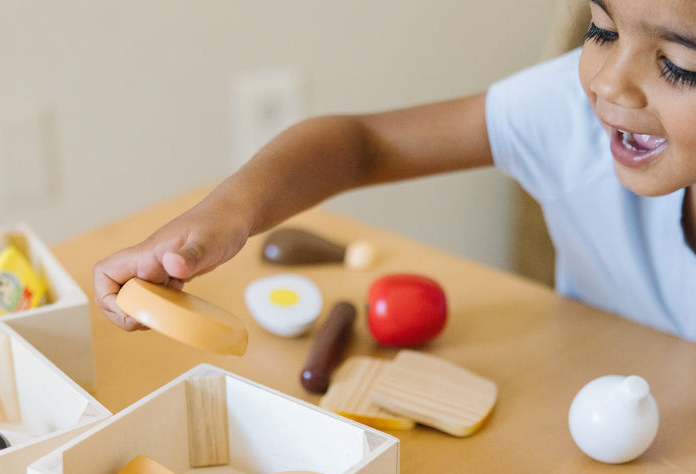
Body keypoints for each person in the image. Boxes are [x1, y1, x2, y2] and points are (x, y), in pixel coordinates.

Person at [94, 0, 696, 341]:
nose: (609, 82)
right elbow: (363, 145)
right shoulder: (567, 114)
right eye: (601, 29)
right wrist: (226, 213)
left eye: (677, 67)